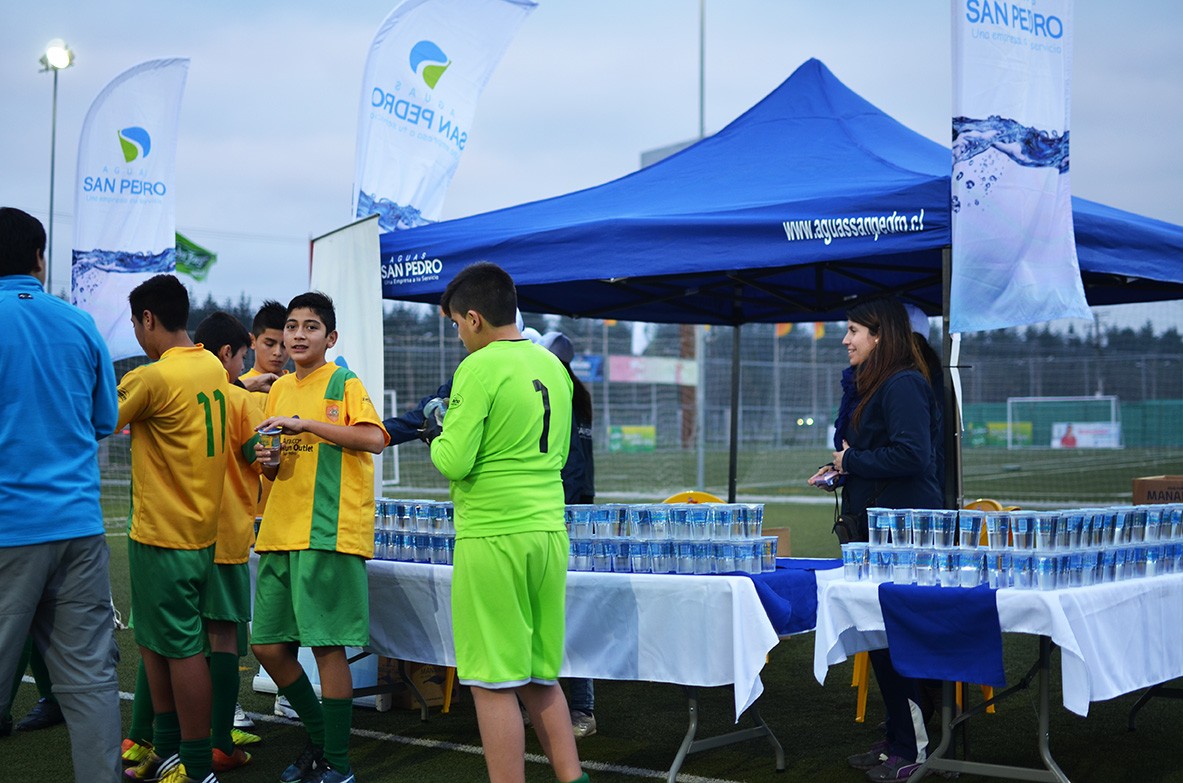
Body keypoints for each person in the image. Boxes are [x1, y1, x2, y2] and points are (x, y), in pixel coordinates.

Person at [429, 261, 587, 783]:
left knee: (492, 681)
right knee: (541, 674)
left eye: (455, 323)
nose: (457, 335)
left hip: (493, 533)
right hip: (547, 529)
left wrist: (437, 432)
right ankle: (573, 777)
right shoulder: (553, 368)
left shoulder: (478, 367)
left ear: (473, 318)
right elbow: (561, 455)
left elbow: (453, 459)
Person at [0, 206, 121, 781]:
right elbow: (104, 419)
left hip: (8, 531)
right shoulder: (77, 324)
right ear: (39, 258)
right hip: (77, 526)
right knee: (92, 681)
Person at [251, 292, 389, 783]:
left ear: (330, 338)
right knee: (266, 647)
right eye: (291, 326)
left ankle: (339, 763)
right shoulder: (278, 388)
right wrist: (268, 462)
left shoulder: (343, 381)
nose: (298, 334)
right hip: (279, 531)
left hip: (327, 533)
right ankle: (320, 737)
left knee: (327, 648)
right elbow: (275, 461)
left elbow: (374, 438)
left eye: (311, 327)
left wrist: (306, 424)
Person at [812, 298, 942, 783]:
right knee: (882, 642)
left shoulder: (905, 382)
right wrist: (841, 471)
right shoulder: (881, 384)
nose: (845, 340)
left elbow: (912, 456)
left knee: (896, 643)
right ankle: (897, 738)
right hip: (876, 532)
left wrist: (850, 463)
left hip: (903, 535)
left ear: (879, 334)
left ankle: (914, 749)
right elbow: (877, 454)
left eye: (852, 330)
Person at [117, 274, 230, 783]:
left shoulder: (152, 377)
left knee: (181, 650)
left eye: (137, 325)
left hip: (163, 535)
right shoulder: (209, 363)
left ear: (148, 319)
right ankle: (166, 751)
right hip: (198, 531)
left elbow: (92, 417)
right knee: (158, 644)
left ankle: (197, 765)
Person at [538, 330, 598, 738]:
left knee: (568, 615)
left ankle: (581, 709)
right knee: (563, 613)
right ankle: (565, 705)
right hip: (573, 516)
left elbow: (572, 471)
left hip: (563, 519)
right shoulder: (576, 396)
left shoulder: (563, 398)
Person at [240, 299, 288, 394]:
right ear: (253, 341)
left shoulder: (298, 386)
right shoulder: (237, 389)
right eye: (269, 344)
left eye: (285, 345)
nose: (277, 352)